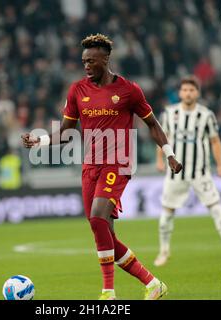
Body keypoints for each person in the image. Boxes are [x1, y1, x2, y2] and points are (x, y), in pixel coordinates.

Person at [22, 34, 182, 300]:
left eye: (91, 61)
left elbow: (153, 124)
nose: (86, 66)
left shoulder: (129, 90)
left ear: (105, 59)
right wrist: (38, 141)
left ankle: (108, 291)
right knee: (103, 230)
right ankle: (153, 284)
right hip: (90, 167)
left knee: (98, 217)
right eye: (84, 61)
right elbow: (65, 132)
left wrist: (169, 154)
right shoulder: (77, 90)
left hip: (117, 165)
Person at [154, 75, 221, 267]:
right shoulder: (169, 114)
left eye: (192, 90)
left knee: (216, 208)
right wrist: (159, 160)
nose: (188, 93)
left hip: (200, 171)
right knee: (167, 213)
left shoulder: (206, 115)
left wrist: (220, 165)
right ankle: (163, 251)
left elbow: (215, 140)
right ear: (180, 92)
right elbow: (163, 139)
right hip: (175, 172)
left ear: (197, 92)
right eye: (185, 90)